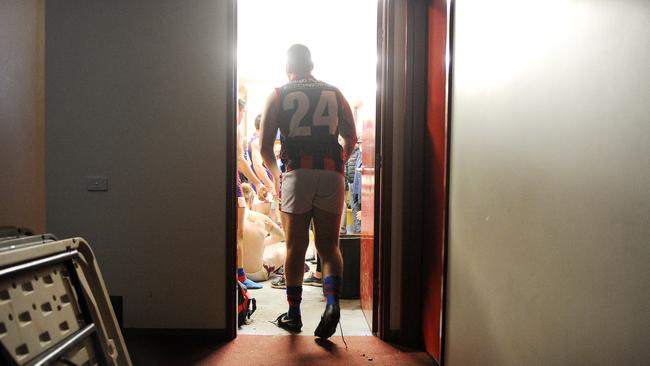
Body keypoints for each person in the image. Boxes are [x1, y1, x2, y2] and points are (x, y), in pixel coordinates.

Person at [260, 44, 357, 338]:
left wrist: (279, 176)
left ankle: (294, 313)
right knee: (329, 246)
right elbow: (350, 137)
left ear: (287, 67)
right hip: (331, 173)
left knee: (295, 246)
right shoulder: (335, 92)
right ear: (312, 65)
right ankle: (331, 304)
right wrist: (338, 162)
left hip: (296, 173)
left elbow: (265, 148)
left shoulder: (278, 94)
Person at [236, 98, 268, 290]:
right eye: (242, 111)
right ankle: (240, 275)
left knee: (239, 232)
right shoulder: (233, 128)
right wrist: (261, 182)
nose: (242, 116)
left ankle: (240, 274)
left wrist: (258, 183)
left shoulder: (237, 131)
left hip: (236, 182)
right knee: (237, 232)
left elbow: (240, 159)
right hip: (232, 183)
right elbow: (243, 160)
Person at [240, 183, 286, 282]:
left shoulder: (228, 218)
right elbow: (281, 236)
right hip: (256, 274)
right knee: (283, 251)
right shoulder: (260, 217)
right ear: (251, 200)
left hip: (233, 273)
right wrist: (261, 242)